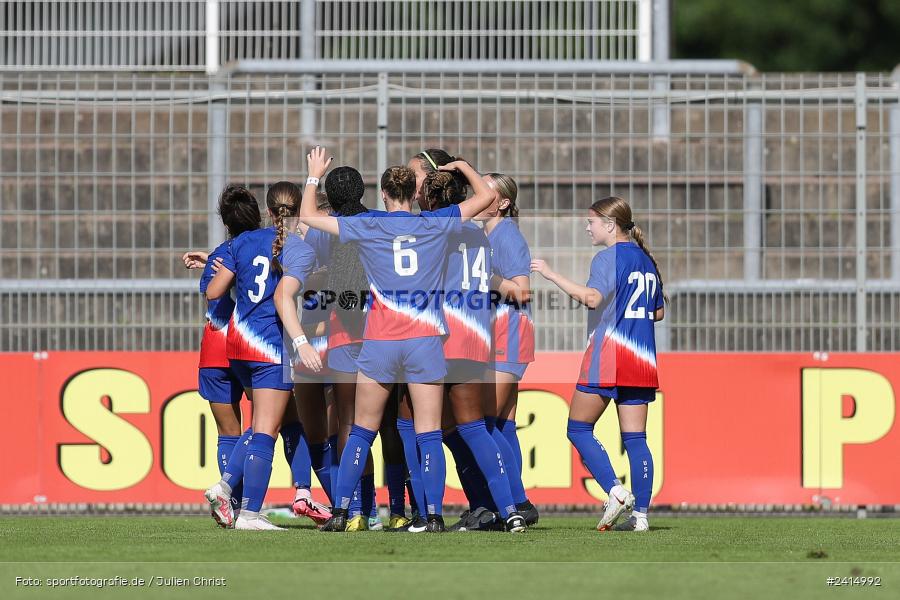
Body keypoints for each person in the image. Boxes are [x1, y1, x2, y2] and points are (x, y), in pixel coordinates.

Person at [301, 146, 496, 532]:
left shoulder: (369, 225)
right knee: (427, 432)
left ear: (385, 195)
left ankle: (341, 511)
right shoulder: (435, 223)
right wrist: (463, 168)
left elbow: (307, 216)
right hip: (424, 340)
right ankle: (434, 515)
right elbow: (488, 198)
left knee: (360, 430)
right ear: (414, 193)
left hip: (381, 341)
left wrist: (313, 175)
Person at [531, 196, 665, 532]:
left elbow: (592, 297)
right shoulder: (646, 260)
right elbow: (658, 311)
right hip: (642, 357)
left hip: (609, 356)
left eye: (591, 222)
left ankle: (616, 491)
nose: (587, 228)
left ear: (610, 224)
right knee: (636, 439)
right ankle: (642, 518)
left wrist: (550, 274)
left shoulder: (608, 257)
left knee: (577, 428)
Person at [203, 181, 319, 531]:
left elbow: (213, 291)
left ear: (268, 211)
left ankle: (224, 487)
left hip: (238, 345)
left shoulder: (237, 243)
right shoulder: (290, 245)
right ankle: (250, 514)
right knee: (266, 430)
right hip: (271, 345)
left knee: (258, 427)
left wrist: (213, 263)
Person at [421, 166, 526, 533]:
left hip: (445, 335)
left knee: (425, 428)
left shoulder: (436, 230)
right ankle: (508, 509)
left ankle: (427, 515)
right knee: (475, 429)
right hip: (480, 338)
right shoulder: (481, 236)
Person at [183, 185, 260, 527]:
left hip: (213, 347)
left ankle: (232, 506)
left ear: (225, 222)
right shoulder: (259, 250)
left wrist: (209, 256)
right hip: (248, 345)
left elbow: (211, 294)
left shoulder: (219, 254)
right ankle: (234, 496)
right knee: (263, 424)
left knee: (227, 432)